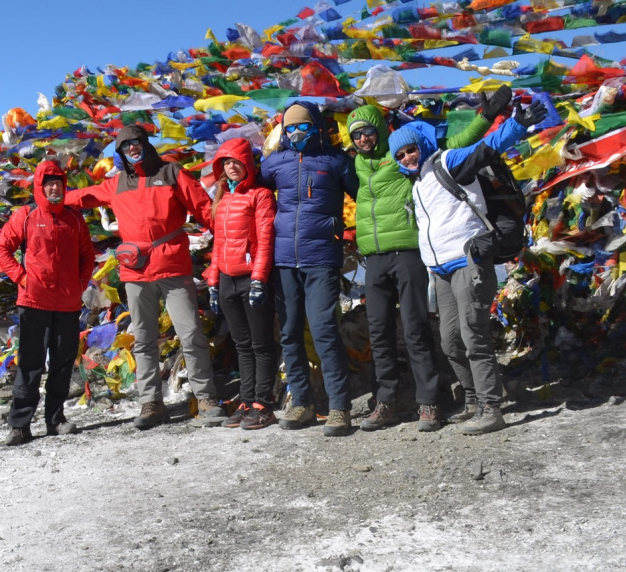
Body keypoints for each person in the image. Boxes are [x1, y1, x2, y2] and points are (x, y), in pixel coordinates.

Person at [347, 88, 507, 433]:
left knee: (423, 328)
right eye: (355, 134)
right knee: (391, 333)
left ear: (380, 129)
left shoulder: (418, 162)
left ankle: (435, 403)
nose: (362, 138)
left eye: (368, 130)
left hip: (417, 254)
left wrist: (487, 116)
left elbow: (463, 143)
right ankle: (391, 401)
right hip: (388, 258)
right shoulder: (357, 168)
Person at [389, 104, 531, 436]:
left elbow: (486, 148)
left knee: (473, 336)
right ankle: (471, 399)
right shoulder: (418, 183)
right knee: (450, 341)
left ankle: (490, 408)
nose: (408, 157)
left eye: (411, 149)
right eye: (402, 154)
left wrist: (518, 125)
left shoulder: (446, 163)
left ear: (421, 146)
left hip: (469, 262)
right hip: (439, 271)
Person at [68, 125, 221, 430]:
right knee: (143, 339)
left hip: (173, 267)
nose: (132, 148)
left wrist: (232, 235)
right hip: (135, 271)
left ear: (145, 144)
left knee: (190, 333)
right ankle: (151, 403)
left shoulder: (171, 172)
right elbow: (82, 197)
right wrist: (51, 199)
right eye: (126, 146)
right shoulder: (116, 184)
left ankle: (206, 398)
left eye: (136, 143)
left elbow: (206, 209)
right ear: (120, 152)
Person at [260, 101, 359, 436]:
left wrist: (351, 234)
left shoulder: (335, 161)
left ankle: (339, 408)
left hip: (322, 258)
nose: (297, 132)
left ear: (317, 127)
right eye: (290, 128)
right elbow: (251, 193)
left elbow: (366, 195)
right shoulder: (275, 163)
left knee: (323, 330)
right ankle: (302, 402)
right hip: (284, 259)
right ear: (283, 132)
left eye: (303, 126)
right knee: (288, 333)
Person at [0, 159, 97, 446]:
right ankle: (20, 425)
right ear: (40, 187)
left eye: (59, 183)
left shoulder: (74, 219)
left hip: (67, 304)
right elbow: (1, 249)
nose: (55, 188)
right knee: (30, 363)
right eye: (49, 183)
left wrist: (79, 284)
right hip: (33, 302)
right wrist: (21, 278)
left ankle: (55, 419)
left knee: (63, 364)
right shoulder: (26, 215)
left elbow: (87, 254)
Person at [204, 136, 278, 429]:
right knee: (241, 344)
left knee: (260, 344)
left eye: (236, 161)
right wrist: (212, 281)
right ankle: (246, 400)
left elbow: (264, 240)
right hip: (226, 279)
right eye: (227, 162)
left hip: (251, 278)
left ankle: (263, 403)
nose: (232, 167)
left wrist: (259, 278)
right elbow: (218, 244)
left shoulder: (260, 195)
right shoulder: (221, 197)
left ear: (247, 163)